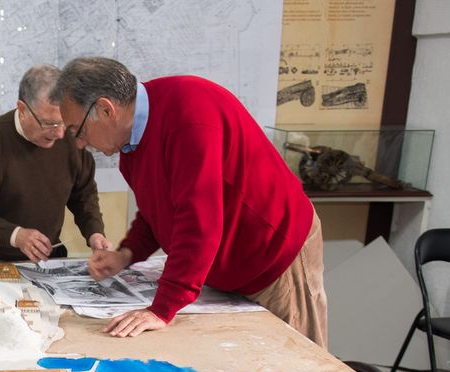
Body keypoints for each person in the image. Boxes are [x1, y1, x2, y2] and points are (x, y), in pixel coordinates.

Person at [51, 57, 327, 346]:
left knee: (297, 363)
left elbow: (199, 222)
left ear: (106, 110)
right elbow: (158, 211)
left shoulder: (188, 116)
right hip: (230, 271)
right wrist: (126, 254)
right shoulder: (131, 143)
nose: (80, 143)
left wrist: (162, 309)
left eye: (78, 131)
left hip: (275, 256)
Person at [0, 65, 109, 263]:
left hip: (46, 259)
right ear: (22, 109)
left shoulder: (72, 137)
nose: (59, 133)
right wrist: (17, 236)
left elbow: (83, 194)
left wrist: (94, 232)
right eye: (49, 123)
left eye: (63, 122)